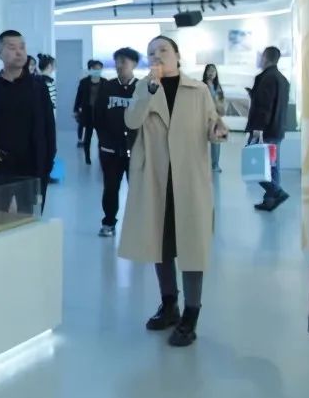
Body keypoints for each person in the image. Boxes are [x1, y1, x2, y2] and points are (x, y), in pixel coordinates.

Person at [120, 36, 228, 348]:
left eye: (163, 50)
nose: (157, 56)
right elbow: (131, 120)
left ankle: (191, 314)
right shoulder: (144, 87)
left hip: (189, 179)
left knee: (192, 247)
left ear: (177, 55)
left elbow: (213, 125)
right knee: (160, 244)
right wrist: (149, 91)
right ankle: (169, 305)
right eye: (151, 52)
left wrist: (217, 131)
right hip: (155, 178)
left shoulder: (198, 90)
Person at [0, 30, 56, 215]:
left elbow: (49, 128)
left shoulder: (38, 87)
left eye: (22, 47)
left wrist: (47, 165)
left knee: (29, 223)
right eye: (12, 47)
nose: (19, 52)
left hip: (32, 169)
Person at [94, 47, 140, 237]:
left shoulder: (142, 88)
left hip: (135, 150)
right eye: (117, 62)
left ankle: (137, 226)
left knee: (137, 190)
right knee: (111, 188)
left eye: (124, 62)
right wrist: (104, 140)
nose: (120, 65)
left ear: (134, 64)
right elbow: (98, 116)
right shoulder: (107, 87)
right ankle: (109, 222)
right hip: (110, 150)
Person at [247, 47, 291, 211]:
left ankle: (276, 192)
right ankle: (270, 201)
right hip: (277, 130)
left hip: (264, 131)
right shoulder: (283, 79)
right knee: (272, 167)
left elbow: (264, 107)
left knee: (254, 166)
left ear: (265, 57)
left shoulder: (267, 78)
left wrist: (258, 129)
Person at [73, 60, 105, 164]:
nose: (97, 71)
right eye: (95, 69)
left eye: (99, 69)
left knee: (102, 137)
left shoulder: (105, 82)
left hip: (100, 113)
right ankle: (87, 157)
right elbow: (79, 96)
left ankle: (101, 157)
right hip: (88, 112)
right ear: (91, 69)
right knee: (88, 135)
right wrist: (75, 109)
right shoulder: (84, 82)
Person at [202, 64, 225, 173]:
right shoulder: (201, 86)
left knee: (216, 141)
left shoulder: (218, 87)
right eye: (209, 70)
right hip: (202, 117)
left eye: (213, 71)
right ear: (206, 72)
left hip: (215, 117)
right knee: (200, 142)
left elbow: (221, 102)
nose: (211, 73)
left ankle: (215, 165)